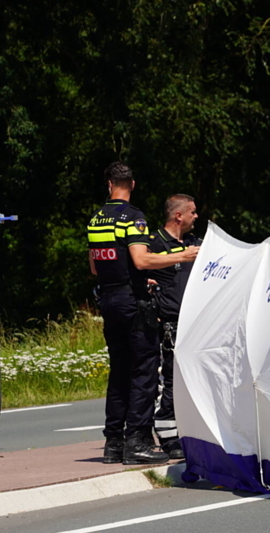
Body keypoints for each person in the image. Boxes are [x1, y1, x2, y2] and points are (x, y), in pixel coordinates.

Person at [87, 162, 169, 465]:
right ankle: (137, 442)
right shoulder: (134, 218)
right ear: (131, 184)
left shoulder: (95, 220)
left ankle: (113, 444)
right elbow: (141, 259)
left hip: (108, 300)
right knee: (145, 372)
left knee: (119, 371)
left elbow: (96, 266)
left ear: (109, 184)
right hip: (132, 303)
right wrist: (183, 255)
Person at [135, 194, 202, 460]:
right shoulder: (152, 244)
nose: (196, 216)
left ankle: (191, 431)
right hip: (167, 324)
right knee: (170, 381)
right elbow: (139, 272)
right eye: (193, 212)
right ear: (178, 215)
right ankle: (166, 433)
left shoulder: (196, 244)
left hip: (195, 324)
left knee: (192, 382)